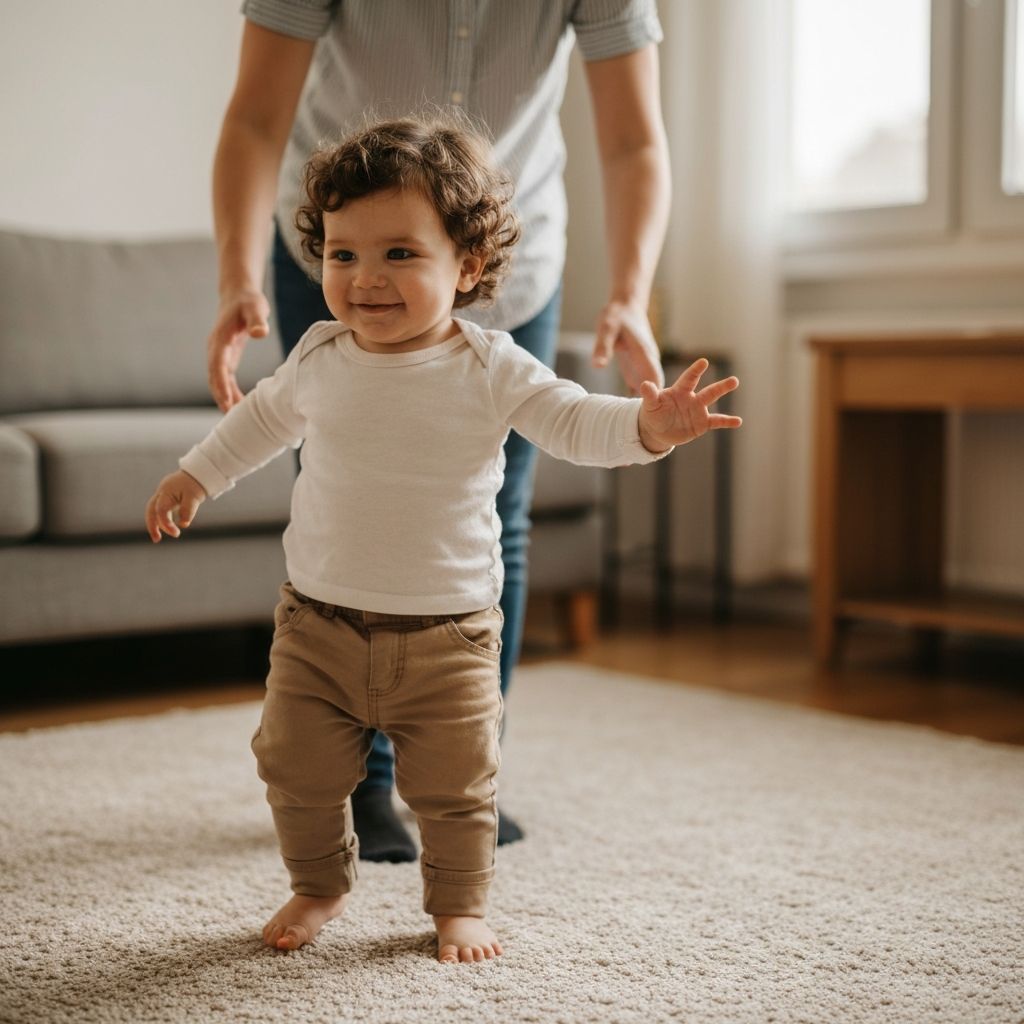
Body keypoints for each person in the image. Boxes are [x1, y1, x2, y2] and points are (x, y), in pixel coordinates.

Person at [147, 117, 738, 963]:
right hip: (316, 625)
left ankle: (458, 906)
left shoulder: (491, 364)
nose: (364, 279)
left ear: (465, 265)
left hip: (448, 636)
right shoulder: (318, 355)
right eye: (342, 255)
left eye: (399, 254)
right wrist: (194, 475)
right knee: (293, 767)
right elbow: (257, 426)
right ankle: (319, 882)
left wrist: (648, 424)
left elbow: (575, 422)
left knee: (458, 791)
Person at [205, 1, 673, 862]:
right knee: (350, 492)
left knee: (504, 511)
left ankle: (461, 770)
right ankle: (367, 783)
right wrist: (239, 274)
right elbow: (256, 115)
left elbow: (634, 141)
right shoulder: (343, 284)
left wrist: (631, 294)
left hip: (511, 244)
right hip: (341, 237)